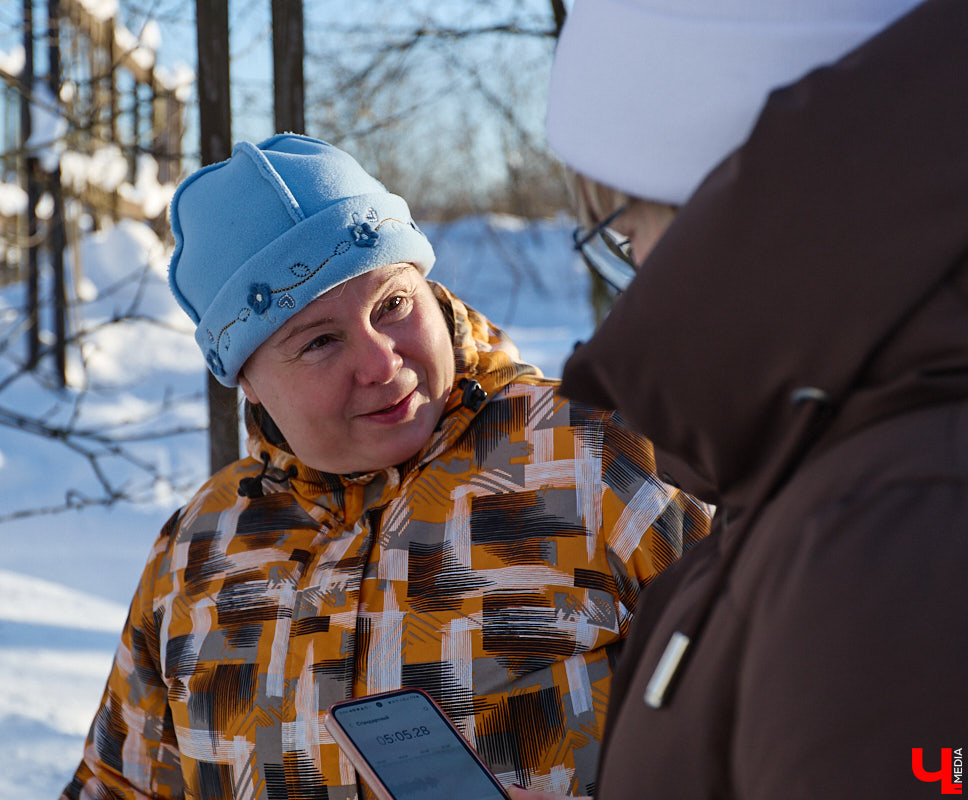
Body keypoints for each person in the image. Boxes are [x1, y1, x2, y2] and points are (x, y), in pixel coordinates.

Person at [60, 133, 710, 799]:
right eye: (319, 342)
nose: (380, 363)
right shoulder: (199, 552)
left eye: (392, 304)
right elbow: (119, 785)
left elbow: (776, 713)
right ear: (248, 381)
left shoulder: (600, 464)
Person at [531, 0, 968, 798]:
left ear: (738, 204)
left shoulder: (897, 525)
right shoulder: (827, 469)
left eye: (631, 235)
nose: (636, 288)